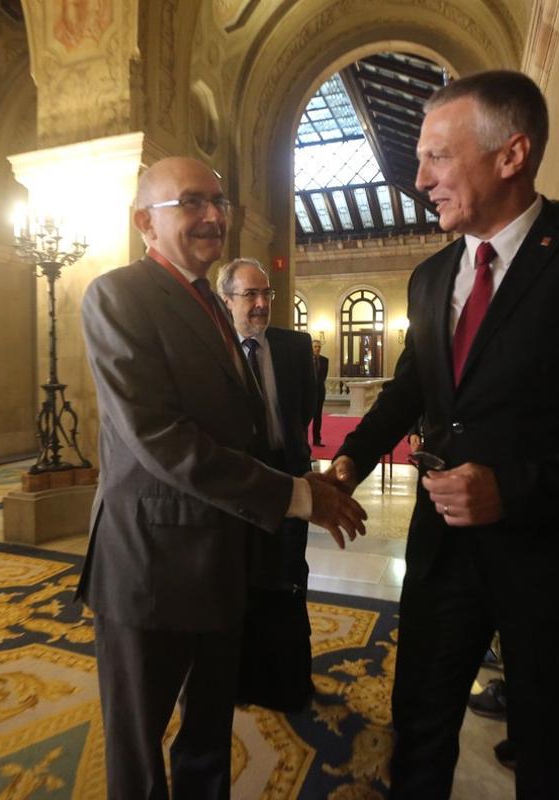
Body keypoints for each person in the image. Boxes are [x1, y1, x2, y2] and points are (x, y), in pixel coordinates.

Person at [327, 70, 559, 798]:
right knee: (420, 730)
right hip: (442, 557)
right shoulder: (432, 278)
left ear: (511, 155)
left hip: (554, 563)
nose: (419, 177)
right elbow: (413, 389)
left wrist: (518, 489)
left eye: (438, 155)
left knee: (556, 755)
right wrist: (347, 463)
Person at [78, 156, 366, 799]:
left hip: (221, 558)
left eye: (219, 200)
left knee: (208, 733)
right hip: (149, 563)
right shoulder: (117, 296)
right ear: (142, 222)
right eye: (190, 202)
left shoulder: (212, 299)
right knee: (139, 744)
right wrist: (295, 496)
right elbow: (159, 438)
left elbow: (242, 428)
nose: (213, 215)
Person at [218, 257, 316, 708]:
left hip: (287, 476)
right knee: (242, 583)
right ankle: (242, 682)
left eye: (266, 294)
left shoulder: (295, 348)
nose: (260, 304)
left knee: (290, 578)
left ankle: (290, 683)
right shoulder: (213, 351)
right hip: (238, 486)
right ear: (226, 300)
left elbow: (305, 408)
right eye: (249, 295)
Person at [311, 340, 328, 445]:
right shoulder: (306, 360)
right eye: (315, 346)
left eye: (319, 347)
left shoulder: (325, 360)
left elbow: (323, 377)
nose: (317, 348)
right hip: (308, 392)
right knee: (306, 417)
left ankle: (317, 439)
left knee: (318, 416)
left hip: (320, 391)